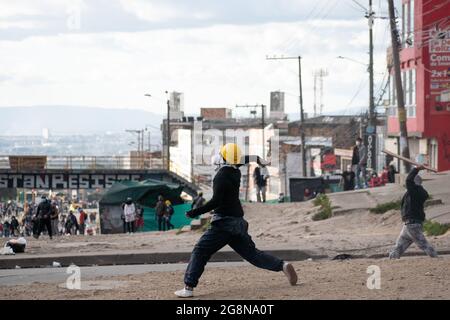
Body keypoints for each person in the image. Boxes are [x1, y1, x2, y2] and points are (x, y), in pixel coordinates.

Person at [175, 143, 298, 298]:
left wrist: (194, 212)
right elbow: (248, 158)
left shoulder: (220, 177)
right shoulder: (235, 169)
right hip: (238, 222)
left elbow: (215, 202)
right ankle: (283, 265)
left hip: (223, 224)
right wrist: (260, 160)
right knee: (253, 254)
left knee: (200, 251)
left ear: (224, 157)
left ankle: (188, 287)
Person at [389, 165, 438, 259]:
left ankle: (436, 259)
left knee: (424, 245)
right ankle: (392, 260)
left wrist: (416, 169)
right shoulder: (414, 192)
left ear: (414, 183)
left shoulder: (415, 191)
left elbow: (408, 180)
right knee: (398, 247)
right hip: (408, 225)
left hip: (412, 225)